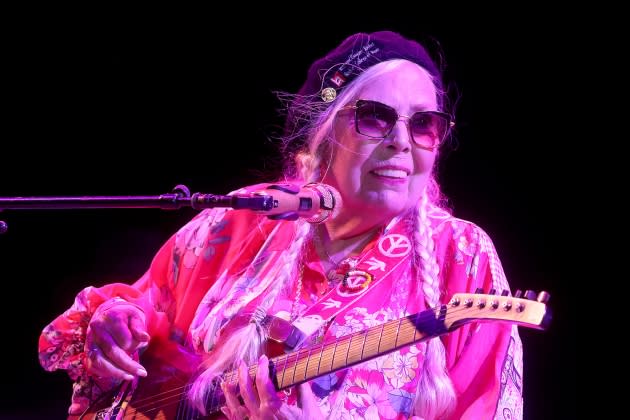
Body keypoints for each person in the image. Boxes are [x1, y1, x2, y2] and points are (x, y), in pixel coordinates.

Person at [39, 30, 524, 419]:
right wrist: (115, 323)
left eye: (424, 124)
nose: (401, 141)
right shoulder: (235, 224)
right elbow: (141, 309)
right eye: (375, 118)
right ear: (324, 132)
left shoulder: (462, 256)